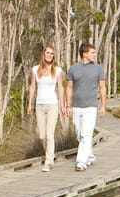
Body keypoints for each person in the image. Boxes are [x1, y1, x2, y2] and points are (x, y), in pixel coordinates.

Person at [63, 42, 106, 171]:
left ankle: (81, 162)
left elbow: (102, 87)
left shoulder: (98, 69)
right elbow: (69, 88)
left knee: (86, 134)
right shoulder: (73, 69)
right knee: (79, 135)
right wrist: (68, 106)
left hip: (91, 107)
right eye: (92, 53)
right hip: (76, 107)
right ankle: (90, 156)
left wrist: (103, 105)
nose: (94, 55)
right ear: (84, 53)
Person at [27, 45, 65, 172]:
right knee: (42, 136)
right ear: (43, 54)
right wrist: (29, 104)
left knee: (49, 134)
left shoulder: (57, 70)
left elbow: (60, 88)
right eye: (48, 53)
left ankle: (48, 162)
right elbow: (32, 86)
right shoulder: (35, 69)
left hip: (52, 104)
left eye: (52, 53)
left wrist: (62, 105)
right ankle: (49, 154)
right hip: (39, 105)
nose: (50, 55)